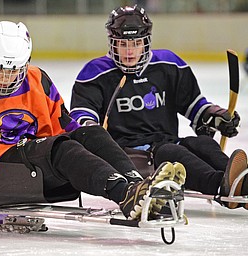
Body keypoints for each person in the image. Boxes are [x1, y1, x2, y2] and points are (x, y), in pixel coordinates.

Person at [0, 19, 187, 226]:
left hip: (36, 172)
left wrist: (92, 142)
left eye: (15, 70)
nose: (6, 78)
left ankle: (136, 187)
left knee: (90, 133)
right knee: (61, 148)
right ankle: (123, 194)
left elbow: (67, 128)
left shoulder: (38, 79)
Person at [70, 5, 248, 209]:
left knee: (201, 144)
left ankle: (242, 180)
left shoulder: (169, 65)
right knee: (171, 153)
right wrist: (90, 126)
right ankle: (222, 186)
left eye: (136, 43)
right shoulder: (95, 73)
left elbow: (194, 105)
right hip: (127, 153)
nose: (129, 51)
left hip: (166, 141)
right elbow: (81, 115)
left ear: (146, 42)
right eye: (122, 44)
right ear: (112, 43)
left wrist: (214, 115)